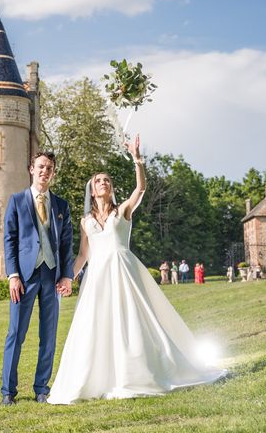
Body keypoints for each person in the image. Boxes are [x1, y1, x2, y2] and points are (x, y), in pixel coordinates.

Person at [48, 135, 225, 404]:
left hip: (123, 271)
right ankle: (97, 378)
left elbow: (140, 189)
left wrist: (137, 158)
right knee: (96, 324)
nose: (103, 183)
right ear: (92, 190)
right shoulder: (85, 222)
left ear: (111, 187)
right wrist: (67, 277)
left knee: (130, 321)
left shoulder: (123, 212)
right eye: (98, 181)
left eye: (107, 180)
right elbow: (84, 254)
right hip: (97, 277)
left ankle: (141, 372)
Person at [1, 152, 74, 406]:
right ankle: (8, 392)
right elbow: (9, 240)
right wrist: (12, 275)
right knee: (16, 334)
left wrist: (67, 275)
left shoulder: (61, 205)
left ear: (53, 173)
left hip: (51, 276)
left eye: (50, 168)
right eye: (41, 166)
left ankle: (42, 388)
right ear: (31, 169)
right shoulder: (17, 201)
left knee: (49, 336)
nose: (45, 171)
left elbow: (66, 244)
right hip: (24, 278)